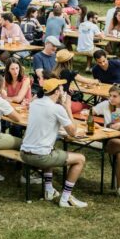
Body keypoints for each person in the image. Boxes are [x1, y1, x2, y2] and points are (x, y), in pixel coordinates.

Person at [20, 78, 88, 208]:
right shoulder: (57, 108)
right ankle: (66, 198)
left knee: (50, 148)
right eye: (62, 89)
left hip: (24, 153)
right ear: (56, 92)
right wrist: (67, 107)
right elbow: (73, 132)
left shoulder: (35, 103)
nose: (63, 92)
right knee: (80, 159)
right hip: (40, 157)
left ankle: (49, 190)